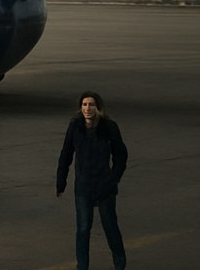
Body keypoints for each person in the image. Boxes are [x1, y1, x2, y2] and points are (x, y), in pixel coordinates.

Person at [56, 91, 128, 270]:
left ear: (98, 108)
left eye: (91, 105)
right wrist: (61, 181)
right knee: (83, 228)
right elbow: (66, 154)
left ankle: (119, 263)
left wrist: (113, 178)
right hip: (83, 186)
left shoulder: (109, 127)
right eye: (84, 105)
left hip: (104, 186)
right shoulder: (75, 126)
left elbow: (121, 155)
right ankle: (82, 266)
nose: (87, 108)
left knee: (110, 227)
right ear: (80, 107)